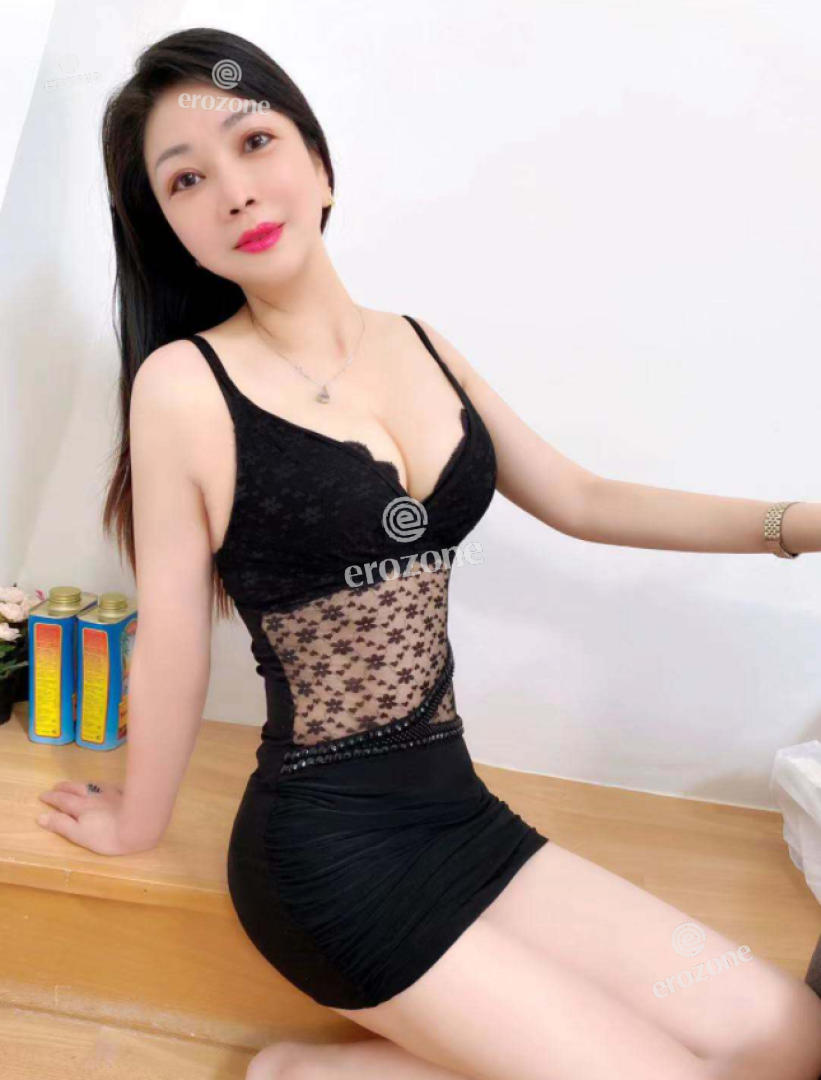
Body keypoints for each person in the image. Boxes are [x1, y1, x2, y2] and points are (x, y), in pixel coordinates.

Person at [35, 27, 821, 1080]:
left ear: (319, 164)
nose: (233, 191)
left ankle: (315, 1071)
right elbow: (174, 636)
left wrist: (796, 524)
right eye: (185, 179)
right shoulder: (182, 385)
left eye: (254, 142)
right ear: (167, 226)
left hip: (460, 817)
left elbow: (581, 498)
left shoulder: (417, 343)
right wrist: (138, 821)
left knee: (792, 1040)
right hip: (327, 856)